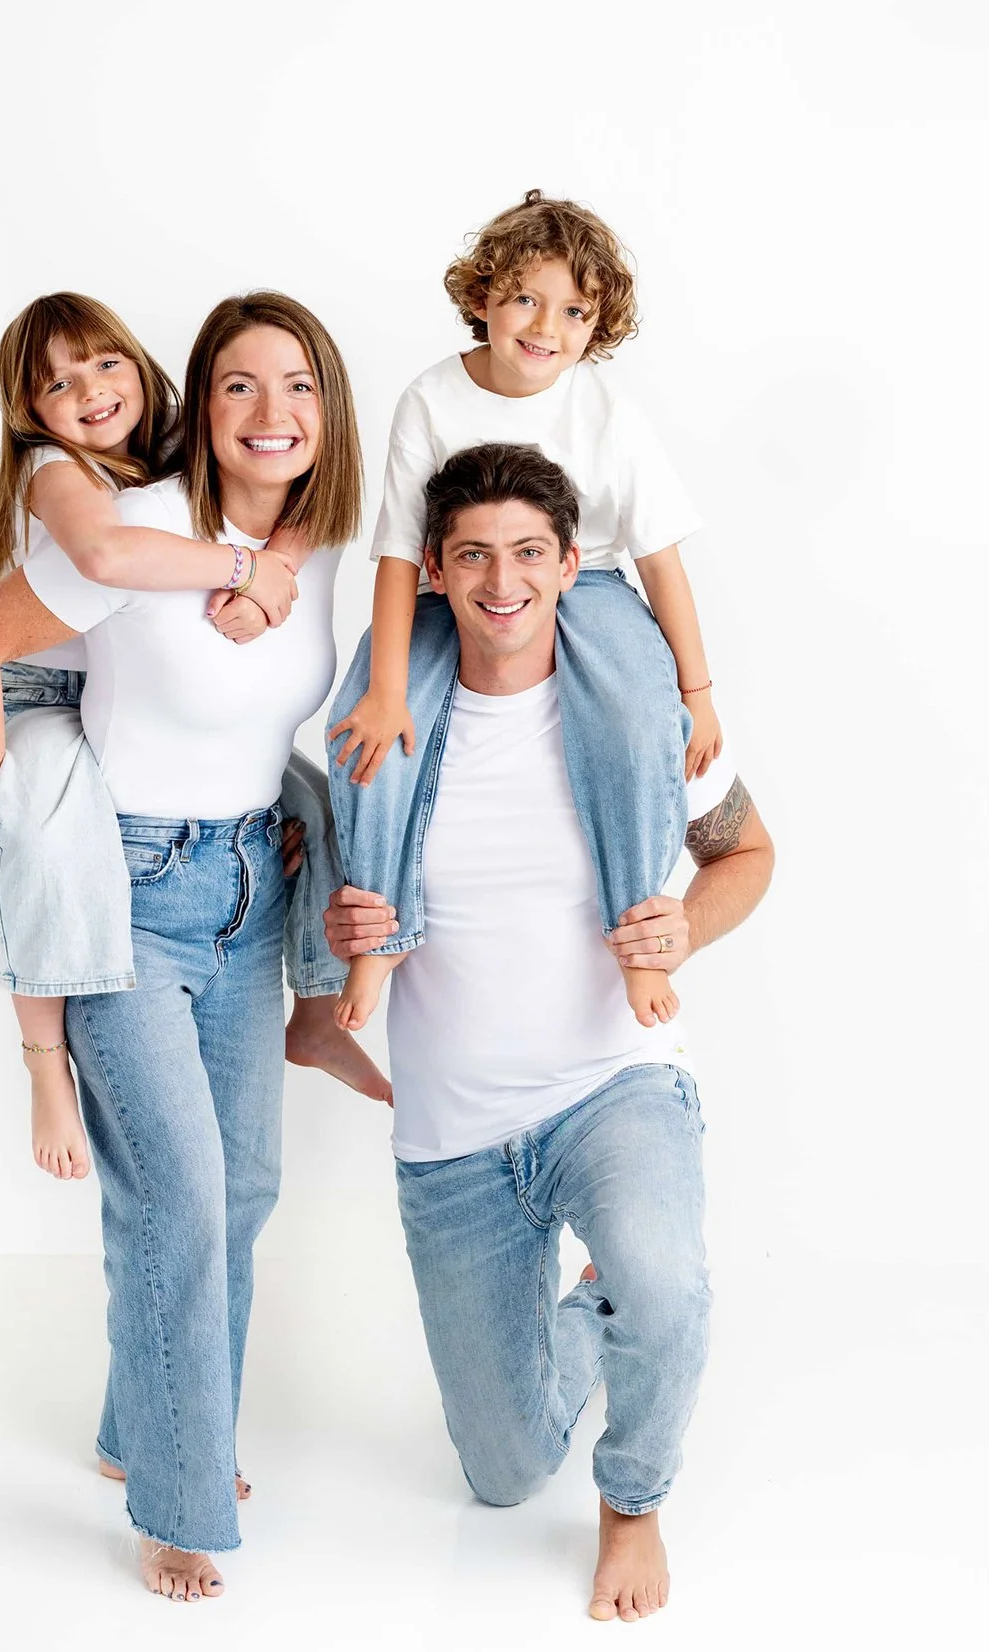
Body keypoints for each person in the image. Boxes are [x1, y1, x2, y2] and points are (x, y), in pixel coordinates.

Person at [0, 291, 365, 1604]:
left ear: (327, 406)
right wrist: (18, 825)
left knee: (236, 1195)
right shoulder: (138, 527)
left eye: (296, 386)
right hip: (125, 890)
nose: (270, 414)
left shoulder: (334, 545)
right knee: (178, 1203)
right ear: (199, 401)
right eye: (238, 386)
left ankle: (144, 1434)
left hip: (248, 880)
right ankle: (183, 1499)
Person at [320, 444, 773, 1621]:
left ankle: (635, 1502)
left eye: (529, 552)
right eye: (472, 554)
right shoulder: (384, 730)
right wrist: (347, 916)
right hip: (452, 1136)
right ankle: (594, 1304)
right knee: (506, 1474)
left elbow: (746, 854)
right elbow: (344, 896)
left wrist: (684, 928)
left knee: (666, 1290)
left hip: (610, 1086)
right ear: (435, 570)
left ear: (573, 565)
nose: (502, 580)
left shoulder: (635, 717)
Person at [0, 292, 386, 1182]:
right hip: (45, 695)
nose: (90, 393)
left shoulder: (176, 450)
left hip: (242, 865)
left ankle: (313, 1014)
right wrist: (0, 804)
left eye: (107, 364)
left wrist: (280, 563)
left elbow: (298, 467)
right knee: (40, 848)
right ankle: (43, 1069)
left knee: (317, 797)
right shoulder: (69, 477)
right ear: (28, 411)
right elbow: (99, 566)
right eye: (58, 384)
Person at [326, 189, 722, 1035]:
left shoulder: (605, 410)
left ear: (596, 326)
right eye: (525, 299)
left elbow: (660, 559)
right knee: (365, 724)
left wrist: (696, 691)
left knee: (635, 722)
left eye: (575, 311)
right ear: (482, 299)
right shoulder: (431, 400)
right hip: (453, 590)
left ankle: (637, 930)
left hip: (595, 584)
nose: (547, 327)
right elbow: (400, 557)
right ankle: (381, 929)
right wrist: (389, 686)